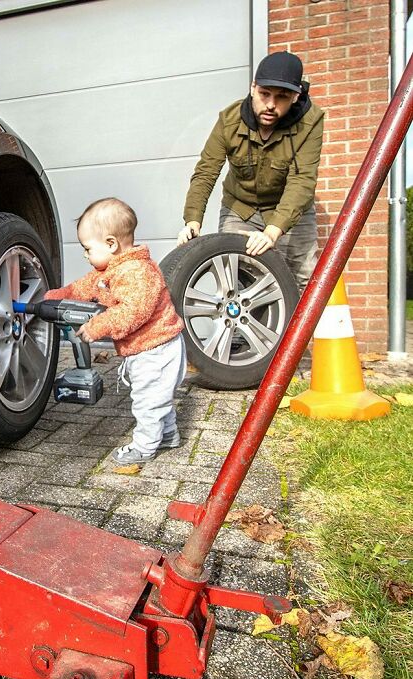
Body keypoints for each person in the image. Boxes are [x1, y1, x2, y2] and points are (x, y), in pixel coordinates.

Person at [44, 198, 186, 465]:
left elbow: (133, 311)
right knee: (157, 397)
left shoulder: (136, 272)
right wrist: (57, 297)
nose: (85, 255)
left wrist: (97, 326)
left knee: (148, 401)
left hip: (157, 349)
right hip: (147, 349)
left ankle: (144, 447)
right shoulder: (113, 268)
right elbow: (84, 287)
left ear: (111, 244)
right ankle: (167, 435)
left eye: (87, 248)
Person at [178, 51, 324, 292]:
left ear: (296, 96)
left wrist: (273, 231)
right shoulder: (229, 120)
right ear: (253, 87)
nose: (270, 105)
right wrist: (192, 221)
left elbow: (302, 180)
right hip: (240, 208)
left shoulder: (311, 122)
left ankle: (298, 331)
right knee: (235, 277)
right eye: (264, 94)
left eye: (282, 97)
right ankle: (241, 330)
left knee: (303, 277)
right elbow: (206, 171)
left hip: (287, 209)